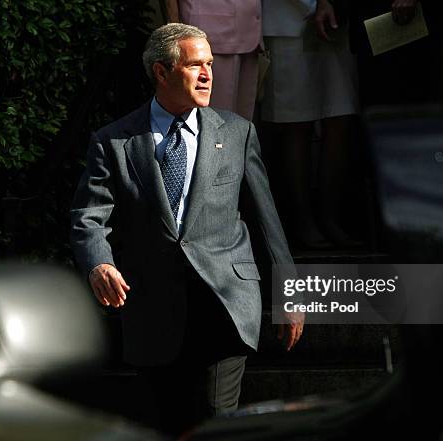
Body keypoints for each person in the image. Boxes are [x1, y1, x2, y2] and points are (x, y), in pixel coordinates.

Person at [70, 23, 303, 435]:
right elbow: (89, 216)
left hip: (224, 305)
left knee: (215, 422)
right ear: (162, 72)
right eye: (196, 65)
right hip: (152, 310)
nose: (208, 74)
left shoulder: (236, 133)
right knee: (167, 426)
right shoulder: (114, 141)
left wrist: (288, 293)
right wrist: (98, 264)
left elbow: (268, 221)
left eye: (210, 64)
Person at [261, 0, 359, 247]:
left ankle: (331, 217)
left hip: (338, 20)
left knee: (340, 114)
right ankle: (302, 222)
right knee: (295, 122)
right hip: (288, 20)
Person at [166, 0, 262, 121]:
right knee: (212, 120)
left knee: (241, 124)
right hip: (211, 34)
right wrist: (175, 29)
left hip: (249, 33)